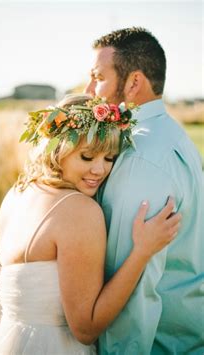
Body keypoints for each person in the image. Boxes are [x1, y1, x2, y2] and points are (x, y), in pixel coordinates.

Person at [0, 94, 181, 354]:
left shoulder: (17, 193)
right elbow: (86, 329)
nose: (100, 170)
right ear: (58, 149)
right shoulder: (80, 211)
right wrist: (142, 252)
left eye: (109, 158)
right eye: (87, 157)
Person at [85, 27, 203, 354]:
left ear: (134, 82)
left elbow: (134, 292)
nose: (88, 89)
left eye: (98, 77)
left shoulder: (141, 158)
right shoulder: (174, 137)